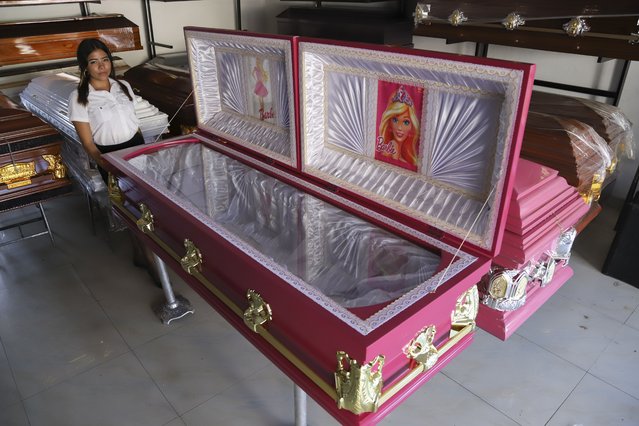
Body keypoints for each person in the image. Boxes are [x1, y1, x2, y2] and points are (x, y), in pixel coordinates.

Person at [68, 38, 144, 183]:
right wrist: (106, 165)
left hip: (136, 146)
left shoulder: (124, 86)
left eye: (105, 59)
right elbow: (88, 144)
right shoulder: (79, 97)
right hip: (109, 154)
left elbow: (133, 121)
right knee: (124, 200)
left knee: (147, 194)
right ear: (85, 67)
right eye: (94, 62)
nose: (102, 66)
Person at [376, 85, 420, 169]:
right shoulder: (392, 146)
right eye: (395, 120)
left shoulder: (406, 156)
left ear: (412, 126)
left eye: (406, 122)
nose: (399, 128)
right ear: (389, 122)